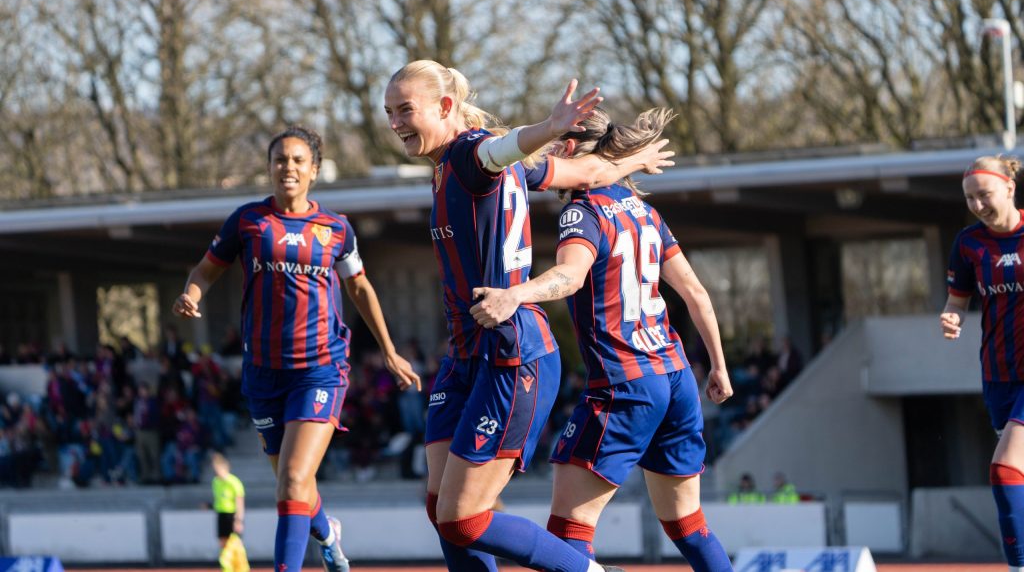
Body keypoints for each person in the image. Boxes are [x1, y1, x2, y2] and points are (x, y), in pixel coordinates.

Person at [385, 60, 673, 572]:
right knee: (441, 509)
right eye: (389, 112)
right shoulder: (464, 165)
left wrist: (547, 128)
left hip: (511, 354)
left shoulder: (470, 154)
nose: (395, 122)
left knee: (462, 520)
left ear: (445, 106)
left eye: (405, 109)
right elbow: (588, 172)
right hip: (466, 356)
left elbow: (501, 148)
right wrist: (633, 160)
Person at [470, 107, 733, 571]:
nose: (546, 153)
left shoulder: (583, 211)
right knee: (688, 525)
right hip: (676, 377)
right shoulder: (645, 211)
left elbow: (571, 276)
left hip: (625, 383)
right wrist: (718, 365)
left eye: (554, 145)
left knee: (567, 533)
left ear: (570, 148)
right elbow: (695, 292)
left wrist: (516, 294)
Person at [174, 125, 421, 572]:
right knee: (295, 485)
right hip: (263, 373)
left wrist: (389, 350)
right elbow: (205, 270)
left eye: (298, 160)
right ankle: (327, 534)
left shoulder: (336, 228)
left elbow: (360, 287)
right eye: (280, 159)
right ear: (269, 167)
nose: (288, 167)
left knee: (291, 481)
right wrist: (192, 294)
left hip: (319, 369)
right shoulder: (248, 221)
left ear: (314, 170)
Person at [941, 154, 1024, 572]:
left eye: (984, 195)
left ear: (1009, 188)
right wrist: (951, 317)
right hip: (998, 376)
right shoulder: (968, 244)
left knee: (1006, 469)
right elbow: (957, 302)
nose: (977, 205)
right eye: (969, 198)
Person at [210, 452, 250, 572]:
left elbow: (239, 503)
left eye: (218, 469)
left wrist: (238, 520)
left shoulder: (234, 482)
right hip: (221, 514)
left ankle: (240, 568)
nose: (217, 472)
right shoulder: (215, 482)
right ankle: (227, 568)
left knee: (235, 543)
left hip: (232, 515)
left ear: (225, 467)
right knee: (223, 542)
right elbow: (219, 500)